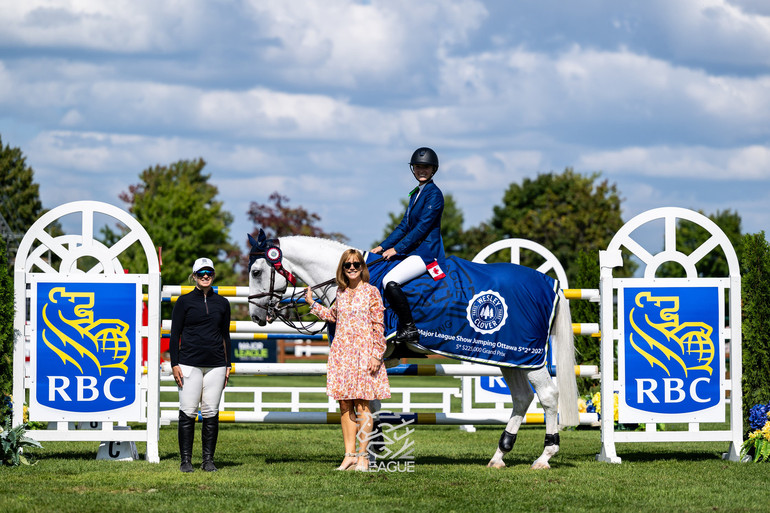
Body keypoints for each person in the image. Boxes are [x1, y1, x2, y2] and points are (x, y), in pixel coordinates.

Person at [304, 249, 390, 471]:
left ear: (362, 267)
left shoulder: (372, 292)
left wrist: (376, 355)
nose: (352, 268)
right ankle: (349, 456)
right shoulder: (340, 293)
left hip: (364, 354)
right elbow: (333, 316)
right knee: (344, 405)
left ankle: (363, 457)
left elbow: (379, 327)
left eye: (356, 264)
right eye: (347, 265)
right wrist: (312, 304)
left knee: (363, 405)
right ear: (342, 268)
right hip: (342, 354)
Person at [371, 147, 445, 343]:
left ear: (433, 170)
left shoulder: (434, 194)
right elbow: (404, 226)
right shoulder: (416, 194)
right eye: (418, 167)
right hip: (413, 251)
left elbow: (421, 228)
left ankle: (409, 328)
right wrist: (382, 246)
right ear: (413, 169)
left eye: (426, 167)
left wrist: (396, 249)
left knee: (390, 281)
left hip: (427, 253)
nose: (422, 170)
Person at [169, 257, 232, 473]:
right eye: (202, 273)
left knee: (211, 412)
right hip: (188, 364)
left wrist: (228, 365)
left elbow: (226, 336)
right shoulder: (183, 302)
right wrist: (174, 363)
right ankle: (186, 461)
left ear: (213, 276)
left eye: (210, 273)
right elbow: (174, 334)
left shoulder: (223, 303)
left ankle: (208, 461)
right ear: (194, 276)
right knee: (187, 411)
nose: (206, 276)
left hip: (216, 365)